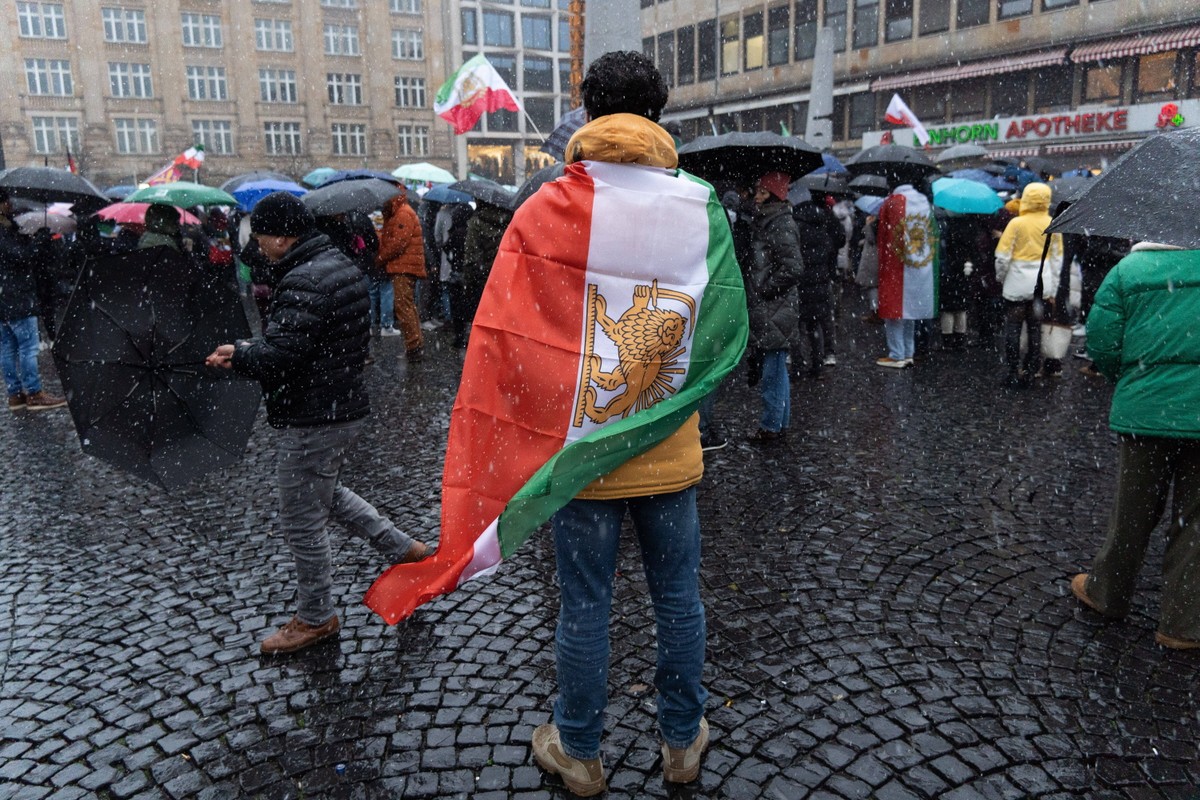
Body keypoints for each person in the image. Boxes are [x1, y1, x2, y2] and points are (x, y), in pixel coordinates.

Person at [524, 51, 743, 795]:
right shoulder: (699, 203)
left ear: (588, 110)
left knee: (584, 602)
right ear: (660, 112)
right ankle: (683, 740)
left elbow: (519, 335)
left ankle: (580, 750)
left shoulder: (552, 201)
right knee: (678, 595)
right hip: (668, 443)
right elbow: (718, 325)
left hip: (583, 451)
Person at [205, 191, 430, 655]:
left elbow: (285, 353)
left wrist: (242, 357)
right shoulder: (334, 263)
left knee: (302, 520)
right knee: (327, 492)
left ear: (284, 235)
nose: (259, 245)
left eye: (262, 236)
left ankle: (316, 617)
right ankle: (400, 547)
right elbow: (305, 338)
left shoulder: (304, 277)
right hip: (337, 405)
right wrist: (247, 349)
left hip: (313, 411)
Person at [1069, 240, 1200, 651]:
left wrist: (1131, 381)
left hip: (1145, 412)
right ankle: (1182, 622)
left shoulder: (1129, 270)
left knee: (1133, 509)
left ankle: (1107, 592)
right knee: (1196, 519)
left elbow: (1103, 344)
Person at [746, 171, 803, 441]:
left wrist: (765, 289)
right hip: (773, 307)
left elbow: (793, 267)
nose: (757, 196)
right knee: (776, 366)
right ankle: (779, 423)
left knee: (773, 370)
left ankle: (771, 426)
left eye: (763, 192)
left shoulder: (779, 223)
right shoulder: (769, 220)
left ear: (775, 196)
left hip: (775, 306)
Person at [0, 189, 67, 411]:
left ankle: (15, 394)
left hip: (6, 297)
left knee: (8, 349)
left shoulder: (8, 229)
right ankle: (34, 393)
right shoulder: (2, 232)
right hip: (15, 297)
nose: (10, 205)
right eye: (6, 201)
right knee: (27, 348)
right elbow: (20, 256)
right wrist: (38, 241)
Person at [994, 182, 1063, 387]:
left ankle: (1012, 371)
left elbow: (1003, 257)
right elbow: (1058, 259)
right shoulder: (1053, 223)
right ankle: (1030, 371)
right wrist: (1054, 288)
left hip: (1016, 283)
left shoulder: (1016, 223)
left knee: (1013, 329)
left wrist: (1001, 277)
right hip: (1042, 285)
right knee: (1035, 329)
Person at [875, 182, 938, 368]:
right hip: (920, 267)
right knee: (911, 311)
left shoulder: (892, 202)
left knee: (894, 313)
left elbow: (885, 236)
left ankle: (896, 355)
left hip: (897, 266)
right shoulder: (923, 202)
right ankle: (908, 353)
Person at [377, 192, 427, 361]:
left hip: (403, 267)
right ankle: (415, 345)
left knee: (403, 307)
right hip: (404, 266)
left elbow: (398, 242)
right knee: (407, 306)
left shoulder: (402, 213)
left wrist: (380, 258)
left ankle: (414, 348)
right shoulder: (400, 211)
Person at [460, 197, 512, 347]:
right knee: (497, 314)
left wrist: (468, 280)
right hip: (501, 274)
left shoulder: (476, 222)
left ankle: (480, 348)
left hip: (480, 277)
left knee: (479, 314)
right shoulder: (507, 220)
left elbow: (471, 254)